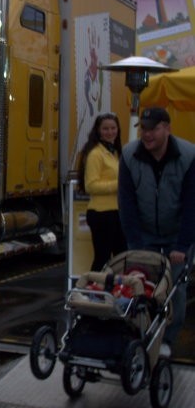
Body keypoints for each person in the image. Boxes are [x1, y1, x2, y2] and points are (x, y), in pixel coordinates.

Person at [118, 107, 195, 357]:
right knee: (142, 285)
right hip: (145, 234)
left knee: (175, 289)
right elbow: (126, 202)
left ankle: (168, 340)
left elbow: (192, 204)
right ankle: (145, 334)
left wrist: (182, 246)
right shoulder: (130, 155)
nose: (147, 134)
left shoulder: (189, 155)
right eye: (144, 128)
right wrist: (135, 242)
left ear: (167, 128)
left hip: (177, 235)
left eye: (153, 128)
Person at [78, 113, 127, 271]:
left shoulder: (115, 152)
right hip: (102, 213)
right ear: (98, 131)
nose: (110, 132)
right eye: (105, 128)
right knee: (102, 258)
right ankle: (93, 292)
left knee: (121, 257)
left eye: (113, 128)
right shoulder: (95, 154)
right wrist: (119, 184)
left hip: (116, 212)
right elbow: (90, 186)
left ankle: (114, 292)